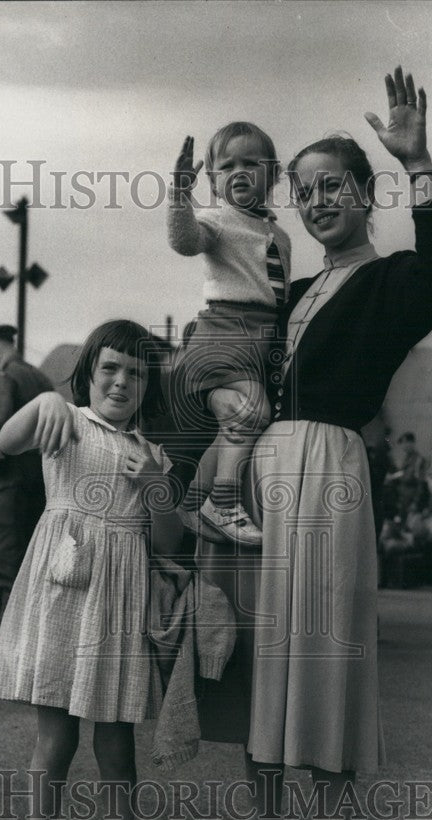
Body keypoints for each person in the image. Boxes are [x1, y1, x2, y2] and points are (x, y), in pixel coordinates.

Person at [196, 66, 432, 820]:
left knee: (320, 673)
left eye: (332, 189)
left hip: (329, 475)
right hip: (261, 479)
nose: (314, 202)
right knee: (252, 677)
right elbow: (220, 354)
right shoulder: (283, 293)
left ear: (363, 195)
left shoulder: (389, 282)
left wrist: (419, 160)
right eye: (303, 190)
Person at [0, 320, 182, 820]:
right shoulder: (63, 421)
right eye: (110, 369)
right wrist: (40, 399)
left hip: (120, 601)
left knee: (117, 745)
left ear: (148, 386)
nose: (122, 381)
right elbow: (9, 440)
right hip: (65, 589)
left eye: (136, 372)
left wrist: (159, 492)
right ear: (89, 374)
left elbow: (170, 539)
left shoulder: (152, 452)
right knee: (57, 741)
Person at [167, 124, 291, 545]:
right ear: (213, 181)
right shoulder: (218, 220)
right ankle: (222, 502)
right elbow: (185, 242)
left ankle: (193, 502)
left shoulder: (280, 236)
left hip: (258, 339)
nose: (239, 172)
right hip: (224, 330)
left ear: (273, 175)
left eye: (251, 163)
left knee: (236, 424)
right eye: (227, 165)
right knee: (251, 412)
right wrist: (180, 197)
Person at [0, 324, 53, 636]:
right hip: (40, 474)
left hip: (8, 474)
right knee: (31, 541)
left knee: (4, 541)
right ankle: (30, 622)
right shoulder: (40, 377)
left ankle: (6, 620)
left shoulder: (4, 377)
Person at [394, 431, 428, 516]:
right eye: (402, 443)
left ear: (412, 443)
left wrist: (415, 503)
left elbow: (421, 483)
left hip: (412, 499)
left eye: (406, 442)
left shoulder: (419, 460)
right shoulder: (405, 459)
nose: (404, 446)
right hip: (402, 499)